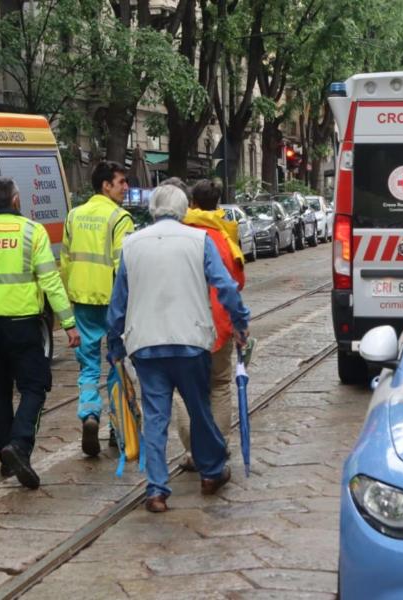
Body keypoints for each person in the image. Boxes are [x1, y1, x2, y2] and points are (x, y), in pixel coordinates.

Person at [107, 184, 250, 513]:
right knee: (199, 409)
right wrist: (239, 322)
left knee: (156, 417)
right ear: (185, 208)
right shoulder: (198, 241)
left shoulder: (131, 244)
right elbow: (225, 286)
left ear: (153, 209)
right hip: (190, 339)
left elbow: (118, 302)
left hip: (145, 343)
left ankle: (157, 489)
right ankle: (211, 472)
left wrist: (114, 343)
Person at [0, 177, 80, 489]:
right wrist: (69, 322)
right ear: (16, 200)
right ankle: (19, 446)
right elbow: (51, 281)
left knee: (0, 390)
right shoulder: (32, 232)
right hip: (23, 325)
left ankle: (4, 455)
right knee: (34, 387)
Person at [61, 161, 134, 457]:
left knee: (88, 365)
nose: (126, 187)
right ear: (106, 185)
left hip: (82, 302)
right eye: (121, 182)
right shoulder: (120, 218)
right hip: (112, 304)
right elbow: (124, 267)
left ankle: (90, 415)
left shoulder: (74, 216)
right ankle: (117, 431)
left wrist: (70, 298)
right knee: (117, 364)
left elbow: (65, 262)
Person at [175, 178, 245, 471]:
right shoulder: (225, 236)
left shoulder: (179, 234)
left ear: (191, 204)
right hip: (219, 323)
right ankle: (218, 446)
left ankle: (193, 451)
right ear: (217, 204)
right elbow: (237, 282)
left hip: (183, 323)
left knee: (184, 389)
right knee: (219, 385)